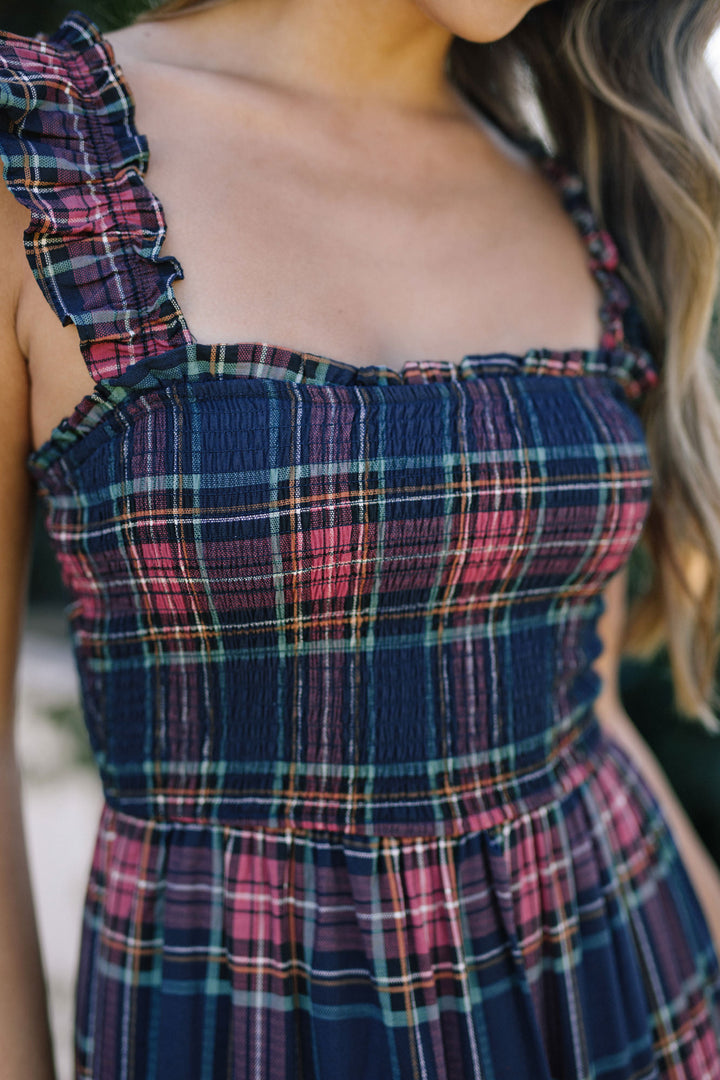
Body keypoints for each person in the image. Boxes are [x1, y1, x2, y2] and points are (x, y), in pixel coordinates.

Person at [1, 0, 720, 1076]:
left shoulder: (582, 181)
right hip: (243, 1029)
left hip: (628, 995)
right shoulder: (45, 155)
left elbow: (590, 706)